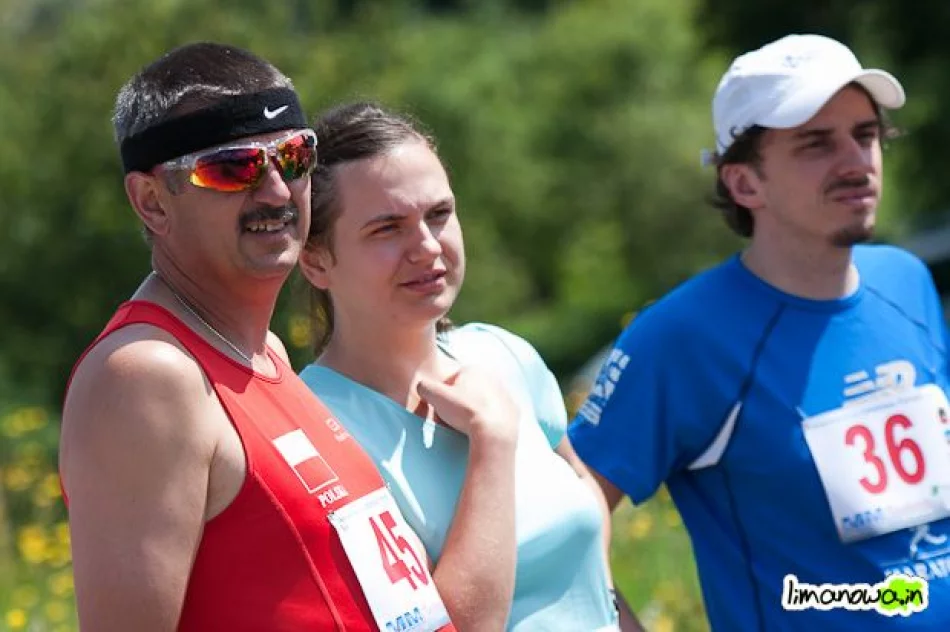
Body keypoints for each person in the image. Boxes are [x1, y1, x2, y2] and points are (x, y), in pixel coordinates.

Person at [59, 43, 458, 631]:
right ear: (151, 201)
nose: (276, 192)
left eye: (295, 157)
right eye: (232, 168)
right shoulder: (148, 376)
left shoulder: (264, 352)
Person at [569, 33, 950, 630]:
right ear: (745, 184)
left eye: (866, 134)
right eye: (816, 144)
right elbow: (562, 515)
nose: (856, 161)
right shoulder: (682, 336)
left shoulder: (906, 281)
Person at [297, 102, 635, 631]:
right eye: (387, 229)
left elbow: (580, 491)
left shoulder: (505, 355)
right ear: (315, 259)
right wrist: (492, 442)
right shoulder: (313, 431)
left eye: (438, 214)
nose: (427, 247)